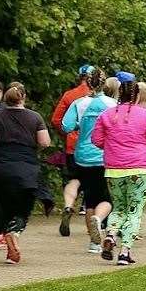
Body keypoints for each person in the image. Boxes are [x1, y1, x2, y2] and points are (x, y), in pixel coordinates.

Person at [91, 78, 146, 265]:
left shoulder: (107, 115)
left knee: (119, 208)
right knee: (134, 210)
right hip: (139, 168)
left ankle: (111, 235)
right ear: (137, 95)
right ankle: (124, 252)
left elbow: (97, 140)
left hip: (113, 169)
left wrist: (113, 144)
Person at [0, 82, 50, 265]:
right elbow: (44, 142)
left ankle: (5, 233)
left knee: (0, 199)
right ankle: (16, 228)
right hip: (26, 164)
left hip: (0, 164)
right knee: (26, 200)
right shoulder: (35, 117)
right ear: (24, 97)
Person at [61, 72, 117, 252]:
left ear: (88, 83)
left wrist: (81, 124)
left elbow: (66, 126)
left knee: (90, 197)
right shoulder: (111, 104)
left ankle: (94, 243)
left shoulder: (79, 103)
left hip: (82, 155)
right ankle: (99, 221)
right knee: (106, 198)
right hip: (104, 155)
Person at [50, 65, 92, 237]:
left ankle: (68, 205)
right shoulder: (100, 98)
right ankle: (93, 219)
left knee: (73, 179)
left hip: (72, 144)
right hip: (93, 146)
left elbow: (56, 119)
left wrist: (66, 134)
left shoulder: (69, 95)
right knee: (92, 182)